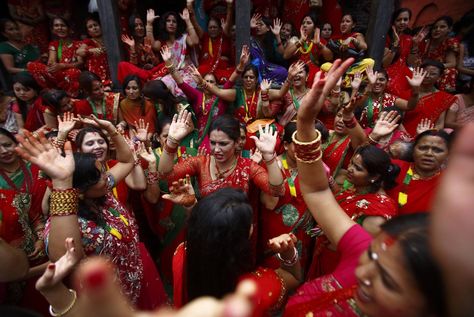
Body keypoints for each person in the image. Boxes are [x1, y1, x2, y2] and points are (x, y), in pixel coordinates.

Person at [283, 58, 446, 317]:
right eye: (372, 258)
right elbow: (317, 191)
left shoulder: (377, 215)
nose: (363, 272)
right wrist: (305, 123)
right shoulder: (365, 248)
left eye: (389, 281)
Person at [16, 118, 167, 310]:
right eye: (98, 176)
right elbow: (63, 257)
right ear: (77, 191)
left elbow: (127, 160)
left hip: (138, 278)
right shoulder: (71, 222)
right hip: (109, 301)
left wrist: (112, 130)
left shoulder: (101, 192)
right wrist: (62, 182)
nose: (107, 176)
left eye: (103, 172)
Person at [173, 187, 301, 314]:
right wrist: (288, 251)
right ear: (240, 243)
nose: (253, 225)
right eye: (249, 223)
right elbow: (293, 277)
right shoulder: (255, 290)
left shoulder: (181, 254)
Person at [0, 128, 48, 312]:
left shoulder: (38, 166)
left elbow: (35, 214)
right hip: (12, 255)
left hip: (50, 237)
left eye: (7, 145)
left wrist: (41, 236)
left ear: (16, 144)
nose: (4, 151)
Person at [387, 129, 451, 215]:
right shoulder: (394, 167)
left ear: (448, 154)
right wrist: (374, 138)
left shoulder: (451, 183)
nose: (429, 153)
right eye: (423, 148)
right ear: (413, 150)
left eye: (437, 150)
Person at [27, 16, 83, 97]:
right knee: (32, 65)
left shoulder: (78, 44)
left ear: (69, 29)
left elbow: (80, 63)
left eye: (62, 25)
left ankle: (69, 95)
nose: (59, 28)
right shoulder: (54, 44)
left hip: (70, 72)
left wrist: (63, 65)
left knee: (74, 72)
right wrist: (51, 65)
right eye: (56, 25)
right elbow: (52, 61)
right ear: (53, 30)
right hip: (58, 73)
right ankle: (51, 91)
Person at [354, 67, 425, 129]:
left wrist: (415, 89)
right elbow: (353, 106)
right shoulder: (363, 97)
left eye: (381, 79)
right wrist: (370, 85)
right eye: (374, 79)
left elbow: (410, 106)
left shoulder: (391, 99)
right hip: (362, 137)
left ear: (387, 82)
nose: (377, 82)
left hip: (384, 137)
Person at [402, 60, 457, 137]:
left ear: (439, 77)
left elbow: (439, 124)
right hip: (403, 135)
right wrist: (405, 136)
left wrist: (426, 136)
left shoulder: (444, 97)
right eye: (424, 72)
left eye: (433, 74)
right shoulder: (405, 94)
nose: (427, 76)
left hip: (427, 136)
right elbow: (399, 119)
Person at [187, 0, 235, 83]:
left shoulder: (225, 36)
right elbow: (194, 22)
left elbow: (228, 23)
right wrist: (189, 6)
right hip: (206, 69)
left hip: (222, 70)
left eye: (215, 27)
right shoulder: (204, 37)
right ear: (207, 29)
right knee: (196, 75)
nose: (212, 29)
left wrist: (230, 6)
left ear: (220, 29)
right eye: (210, 27)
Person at [410, 16, 460, 92]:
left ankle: (442, 97)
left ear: (449, 29)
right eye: (435, 28)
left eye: (442, 27)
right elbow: (413, 61)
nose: (437, 30)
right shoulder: (426, 41)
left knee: (450, 71)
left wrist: (435, 67)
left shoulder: (449, 42)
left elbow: (452, 63)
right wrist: (415, 45)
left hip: (438, 70)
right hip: (423, 68)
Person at [283, 13, 333, 86]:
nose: (305, 25)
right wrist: (301, 41)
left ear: (315, 28)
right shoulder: (295, 39)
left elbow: (330, 57)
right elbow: (285, 56)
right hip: (297, 69)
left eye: (308, 23)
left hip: (313, 71)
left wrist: (319, 44)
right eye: (303, 23)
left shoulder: (319, 41)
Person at [326, 14, 373, 87]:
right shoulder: (335, 38)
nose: (344, 24)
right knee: (324, 65)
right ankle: (345, 81)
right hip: (338, 67)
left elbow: (364, 47)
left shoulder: (357, 35)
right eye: (342, 22)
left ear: (353, 25)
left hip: (352, 68)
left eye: (347, 21)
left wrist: (351, 39)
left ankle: (344, 82)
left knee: (370, 62)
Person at [382, 8, 416, 100]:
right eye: (399, 20)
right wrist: (395, 44)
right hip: (389, 70)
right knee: (393, 87)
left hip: (404, 70)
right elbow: (385, 64)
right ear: (393, 22)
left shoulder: (409, 38)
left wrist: (415, 45)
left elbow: (411, 63)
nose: (402, 22)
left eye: (405, 19)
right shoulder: (387, 37)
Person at [249, 13, 289, 84]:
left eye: (261, 25)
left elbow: (282, 55)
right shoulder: (251, 39)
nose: (258, 27)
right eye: (256, 24)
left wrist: (277, 35)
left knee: (283, 71)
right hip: (254, 69)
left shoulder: (270, 40)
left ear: (268, 28)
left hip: (266, 68)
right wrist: (250, 28)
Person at [76, 13, 111, 87]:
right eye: (90, 27)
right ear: (88, 32)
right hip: (98, 74)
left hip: (112, 69)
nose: (94, 28)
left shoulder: (109, 38)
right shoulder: (89, 41)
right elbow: (79, 52)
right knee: (92, 51)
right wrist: (90, 51)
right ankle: (101, 82)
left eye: (96, 25)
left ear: (101, 26)